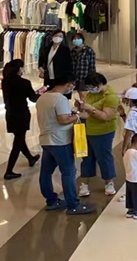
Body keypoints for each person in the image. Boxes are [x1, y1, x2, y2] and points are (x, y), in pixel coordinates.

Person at [36, 75, 94, 215]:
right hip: (60, 141)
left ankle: (51, 200)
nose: (72, 88)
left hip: (46, 140)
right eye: (72, 86)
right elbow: (63, 120)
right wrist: (80, 115)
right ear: (68, 84)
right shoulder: (60, 99)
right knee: (68, 172)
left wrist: (72, 113)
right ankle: (73, 205)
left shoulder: (43, 97)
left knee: (46, 172)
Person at [77, 72, 118, 197]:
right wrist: (81, 108)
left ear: (99, 85)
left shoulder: (111, 97)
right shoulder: (90, 94)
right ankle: (84, 183)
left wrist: (91, 109)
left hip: (103, 132)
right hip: (87, 129)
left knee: (104, 157)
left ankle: (109, 182)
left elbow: (106, 116)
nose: (89, 90)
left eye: (91, 87)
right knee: (87, 157)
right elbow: (86, 111)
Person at [1, 59, 39, 178]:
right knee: (18, 141)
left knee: (19, 138)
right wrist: (40, 93)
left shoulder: (5, 81)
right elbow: (33, 98)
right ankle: (9, 171)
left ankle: (30, 158)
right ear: (19, 69)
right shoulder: (24, 83)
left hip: (10, 113)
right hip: (22, 113)